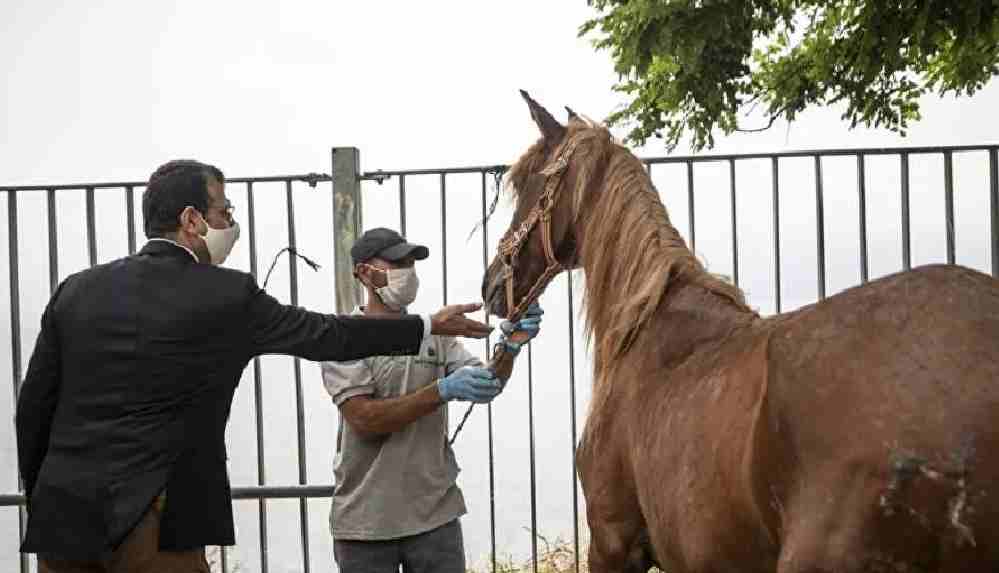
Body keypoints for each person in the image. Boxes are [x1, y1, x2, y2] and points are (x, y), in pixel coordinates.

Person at [15, 161, 493, 573]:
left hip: (62, 522)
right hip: (155, 528)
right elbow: (328, 335)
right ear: (191, 220)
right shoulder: (225, 295)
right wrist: (426, 324)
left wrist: (47, 495)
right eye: (224, 211)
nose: (230, 223)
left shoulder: (75, 290)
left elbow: (32, 410)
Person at [321, 227, 543, 573]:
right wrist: (440, 391)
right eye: (396, 263)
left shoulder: (434, 335)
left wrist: (510, 347)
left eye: (411, 263)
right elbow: (365, 419)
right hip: (366, 523)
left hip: (434, 517)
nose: (407, 272)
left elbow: (488, 383)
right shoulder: (343, 338)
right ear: (364, 272)